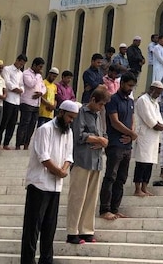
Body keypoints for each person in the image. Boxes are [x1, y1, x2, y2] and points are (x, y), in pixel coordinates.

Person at [20, 100, 78, 264]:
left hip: (55, 186)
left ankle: (46, 261)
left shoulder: (68, 132)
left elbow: (69, 156)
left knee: (49, 228)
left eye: (73, 118)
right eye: (69, 117)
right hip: (39, 184)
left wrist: (64, 169)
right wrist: (58, 171)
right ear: (61, 113)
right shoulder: (44, 130)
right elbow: (43, 157)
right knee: (32, 228)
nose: (71, 121)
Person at [66, 86, 110, 245]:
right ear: (93, 100)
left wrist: (102, 141)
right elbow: (79, 135)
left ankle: (86, 230)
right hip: (82, 159)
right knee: (78, 196)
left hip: (97, 160)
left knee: (91, 197)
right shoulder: (80, 113)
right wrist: (97, 140)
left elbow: (104, 134)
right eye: (100, 104)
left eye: (104, 105)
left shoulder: (100, 115)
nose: (102, 107)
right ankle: (72, 231)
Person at [100, 73, 138, 220]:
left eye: (132, 86)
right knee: (111, 177)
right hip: (115, 144)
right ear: (121, 83)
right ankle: (105, 209)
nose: (130, 89)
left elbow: (132, 119)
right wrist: (130, 133)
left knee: (121, 178)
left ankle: (115, 209)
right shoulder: (112, 100)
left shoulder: (130, 101)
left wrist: (131, 134)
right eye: (129, 85)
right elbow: (114, 121)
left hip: (127, 146)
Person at [133, 80, 163, 197]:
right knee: (142, 162)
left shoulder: (155, 102)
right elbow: (149, 119)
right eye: (157, 92)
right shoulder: (143, 100)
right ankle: (137, 189)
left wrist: (161, 125)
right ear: (152, 89)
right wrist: (158, 125)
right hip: (145, 135)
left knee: (150, 163)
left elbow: (159, 119)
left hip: (154, 136)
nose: (158, 95)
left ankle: (145, 187)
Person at [0, 55, 27, 150]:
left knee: (12, 123)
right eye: (20, 63)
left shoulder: (21, 73)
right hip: (8, 98)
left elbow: (22, 85)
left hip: (17, 101)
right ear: (17, 60)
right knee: (4, 122)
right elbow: (6, 82)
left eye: (23, 64)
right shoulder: (7, 69)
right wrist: (15, 88)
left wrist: (21, 90)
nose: (21, 65)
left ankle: (6, 142)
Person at [17, 57, 45, 150]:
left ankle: (26, 144)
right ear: (34, 65)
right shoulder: (26, 73)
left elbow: (43, 87)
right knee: (24, 123)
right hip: (27, 102)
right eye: (39, 67)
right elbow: (30, 84)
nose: (40, 69)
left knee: (32, 125)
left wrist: (41, 93)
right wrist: (37, 75)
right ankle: (18, 144)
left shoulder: (39, 76)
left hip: (36, 103)